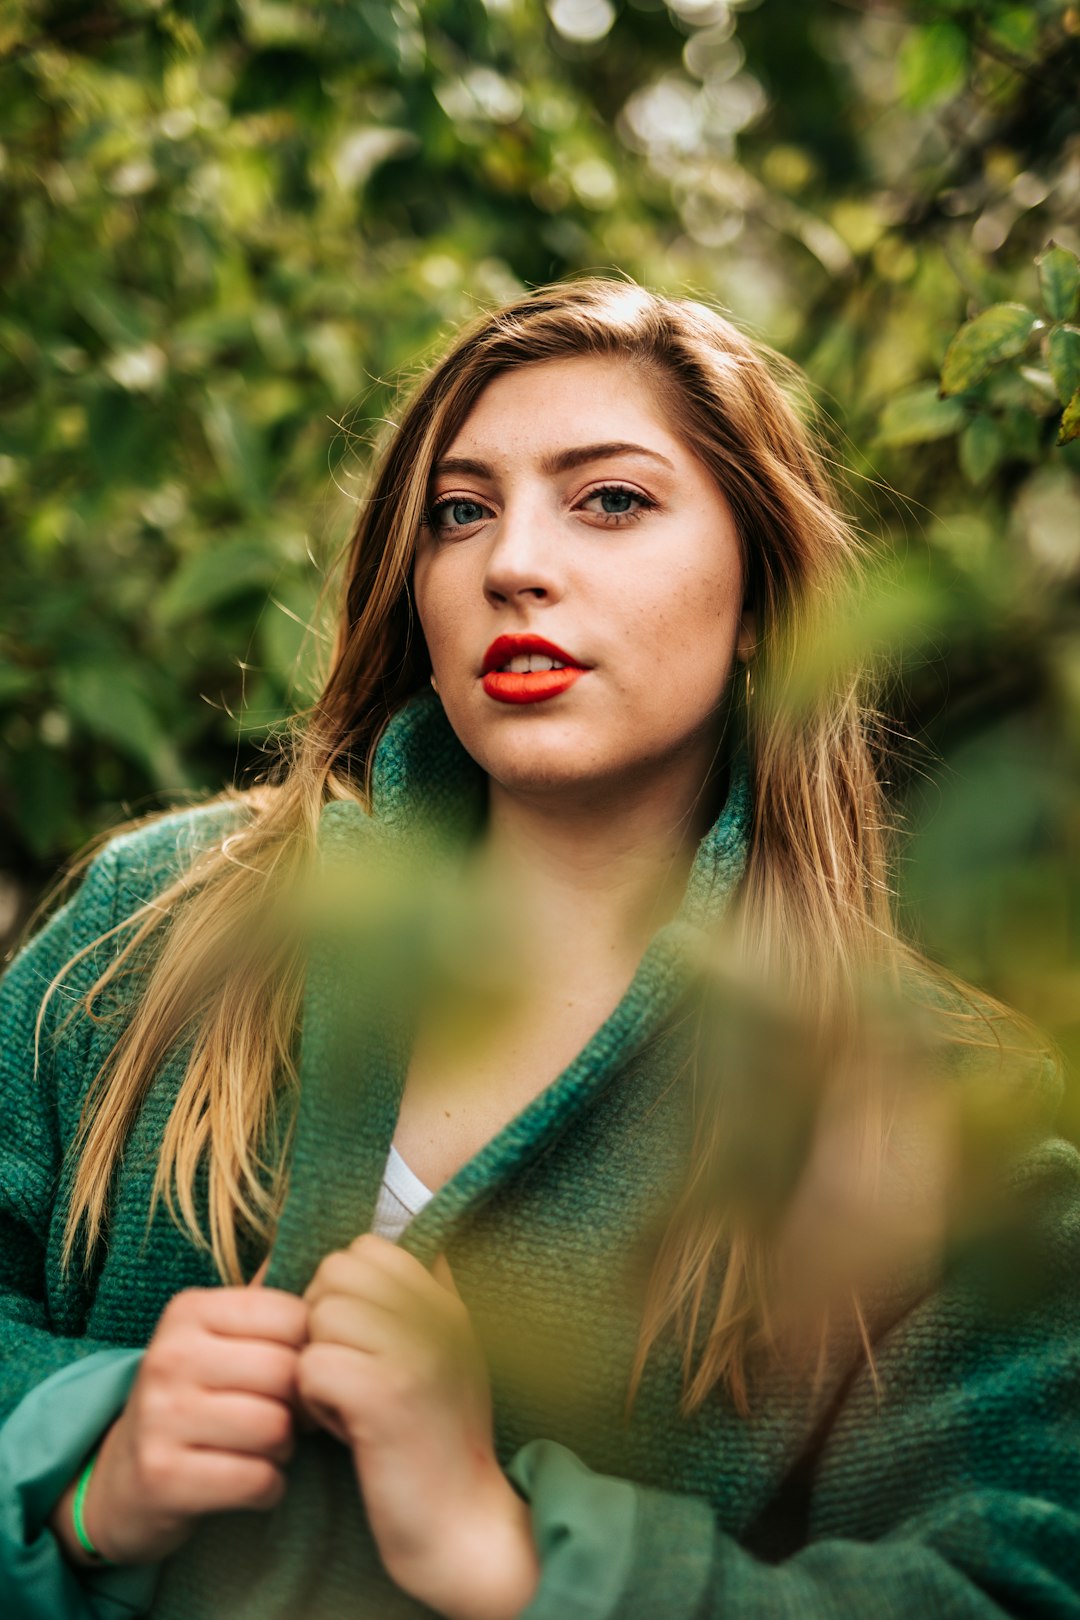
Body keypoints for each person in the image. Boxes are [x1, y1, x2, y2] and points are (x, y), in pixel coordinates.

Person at [1, 275, 1078, 1620]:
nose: (512, 561)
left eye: (610, 499)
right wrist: (82, 1468)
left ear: (759, 595)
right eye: (461, 513)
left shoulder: (938, 1108)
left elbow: (1016, 1585)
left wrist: (511, 1550)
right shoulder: (151, 931)